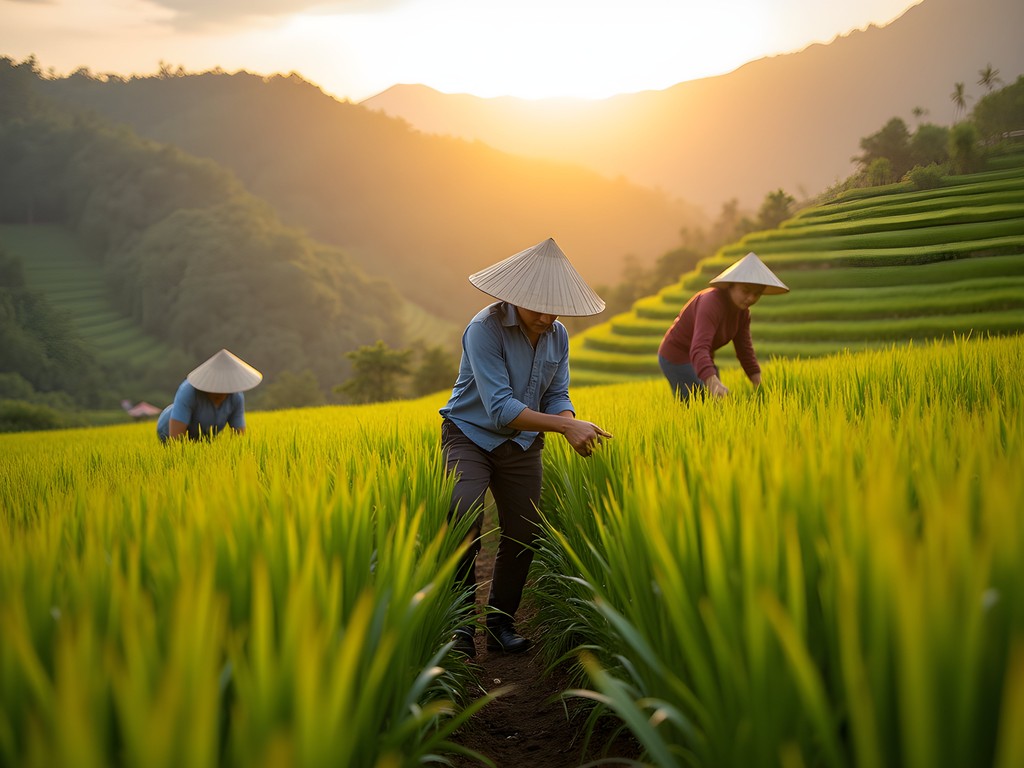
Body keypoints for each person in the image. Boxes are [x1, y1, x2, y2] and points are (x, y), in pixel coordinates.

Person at [440, 237, 612, 658]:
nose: (546, 315)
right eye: (537, 306)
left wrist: (569, 424)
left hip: (522, 444)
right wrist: (562, 428)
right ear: (515, 298)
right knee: (462, 518)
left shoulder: (558, 336)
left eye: (554, 307)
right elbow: (500, 408)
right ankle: (461, 629)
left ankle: (501, 623)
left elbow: (557, 394)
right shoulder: (484, 329)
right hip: (470, 435)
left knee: (524, 532)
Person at [658, 251, 789, 400]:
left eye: (757, 294)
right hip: (676, 356)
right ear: (730, 286)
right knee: (697, 404)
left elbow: (744, 350)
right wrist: (712, 382)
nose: (751, 298)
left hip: (702, 357)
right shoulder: (711, 303)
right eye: (745, 291)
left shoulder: (743, 313)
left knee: (717, 403)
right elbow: (699, 347)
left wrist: (759, 385)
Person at [157, 349, 263, 442]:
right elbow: (176, 439)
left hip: (204, 437)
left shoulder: (236, 398)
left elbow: (239, 437)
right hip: (168, 431)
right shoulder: (188, 391)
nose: (221, 391)